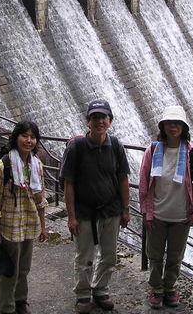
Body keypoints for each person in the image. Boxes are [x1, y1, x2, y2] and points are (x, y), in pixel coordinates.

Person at [60, 99, 131, 313]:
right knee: (84, 256)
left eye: (103, 117)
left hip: (111, 210)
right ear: (87, 121)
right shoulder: (76, 147)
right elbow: (69, 183)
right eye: (95, 117)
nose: (100, 121)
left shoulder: (115, 145)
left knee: (109, 255)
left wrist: (126, 209)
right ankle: (83, 294)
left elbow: (123, 178)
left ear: (110, 121)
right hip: (84, 212)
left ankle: (101, 289)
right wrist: (71, 216)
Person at [139, 105, 193, 309]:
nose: (173, 127)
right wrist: (146, 211)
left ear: (183, 127)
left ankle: (169, 287)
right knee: (154, 255)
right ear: (163, 127)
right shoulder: (152, 151)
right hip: (157, 214)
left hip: (181, 216)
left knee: (175, 257)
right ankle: (156, 289)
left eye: (177, 123)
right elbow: (144, 183)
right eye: (169, 123)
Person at [0, 121, 48, 314]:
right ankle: (7, 308)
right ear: (16, 138)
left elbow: (40, 198)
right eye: (24, 136)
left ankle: (21, 302)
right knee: (9, 271)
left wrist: (43, 226)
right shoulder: (2, 166)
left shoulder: (36, 165)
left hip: (29, 224)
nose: (28, 140)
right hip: (10, 227)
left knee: (24, 268)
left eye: (32, 137)